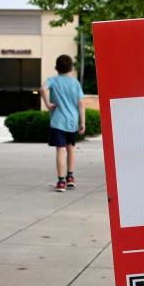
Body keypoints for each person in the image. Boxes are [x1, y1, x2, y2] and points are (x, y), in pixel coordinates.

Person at [41, 55, 85, 192]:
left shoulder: (53, 80)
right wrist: (82, 121)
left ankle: (61, 182)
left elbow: (43, 89)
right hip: (72, 122)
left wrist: (47, 104)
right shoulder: (75, 83)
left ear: (56, 68)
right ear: (71, 68)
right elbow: (81, 104)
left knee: (60, 150)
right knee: (70, 148)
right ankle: (70, 177)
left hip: (58, 122)